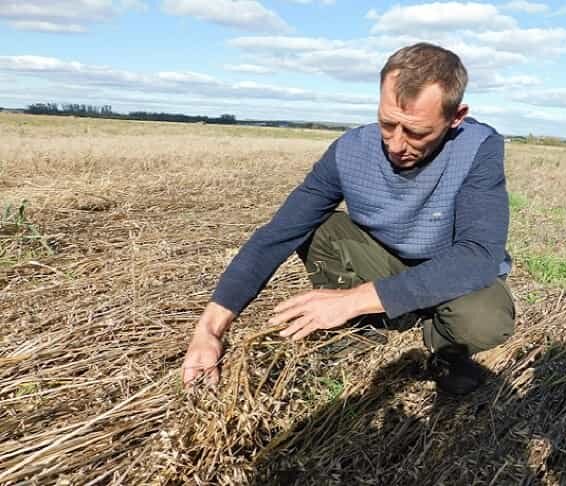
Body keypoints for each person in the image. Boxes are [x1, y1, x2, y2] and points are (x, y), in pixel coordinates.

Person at [181, 42, 515, 395]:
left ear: (456, 117)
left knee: (486, 321)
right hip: (383, 263)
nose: (396, 145)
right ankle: (365, 328)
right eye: (387, 124)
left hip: (446, 272)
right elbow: (277, 235)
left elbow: (478, 255)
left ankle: (439, 341)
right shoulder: (350, 151)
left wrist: (352, 299)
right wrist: (209, 330)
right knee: (317, 227)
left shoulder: (478, 148)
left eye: (416, 132)